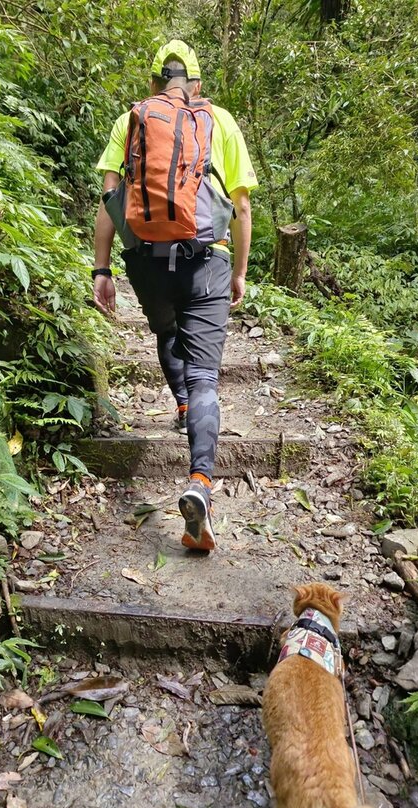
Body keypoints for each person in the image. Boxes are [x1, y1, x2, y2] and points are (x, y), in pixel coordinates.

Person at [93, 39, 257, 552]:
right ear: (198, 84)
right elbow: (242, 208)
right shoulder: (221, 122)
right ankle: (200, 481)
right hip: (207, 259)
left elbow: (108, 199)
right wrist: (239, 272)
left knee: (167, 332)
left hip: (146, 262)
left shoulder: (131, 120)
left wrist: (101, 270)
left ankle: (182, 406)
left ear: (153, 84)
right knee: (207, 371)